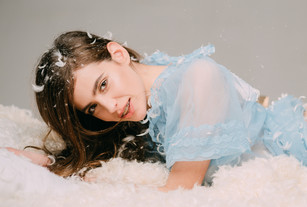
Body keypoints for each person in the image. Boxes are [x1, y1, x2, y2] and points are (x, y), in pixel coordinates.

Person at [7, 31, 307, 192]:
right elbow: (105, 155)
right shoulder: (139, 95)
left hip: (293, 144)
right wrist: (51, 161)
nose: (111, 106)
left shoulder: (197, 77)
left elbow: (180, 188)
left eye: (103, 84)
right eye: (93, 107)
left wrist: (109, 184)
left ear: (119, 54)